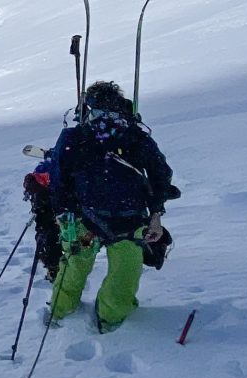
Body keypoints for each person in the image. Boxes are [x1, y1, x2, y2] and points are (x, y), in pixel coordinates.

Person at [44, 80, 177, 331]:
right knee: (107, 273)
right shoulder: (132, 136)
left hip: (107, 219)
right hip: (104, 219)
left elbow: (58, 180)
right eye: (100, 112)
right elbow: (59, 179)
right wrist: (64, 214)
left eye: (110, 112)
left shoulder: (125, 138)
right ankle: (92, 316)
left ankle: (75, 313)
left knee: (88, 269)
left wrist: (156, 215)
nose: (105, 119)